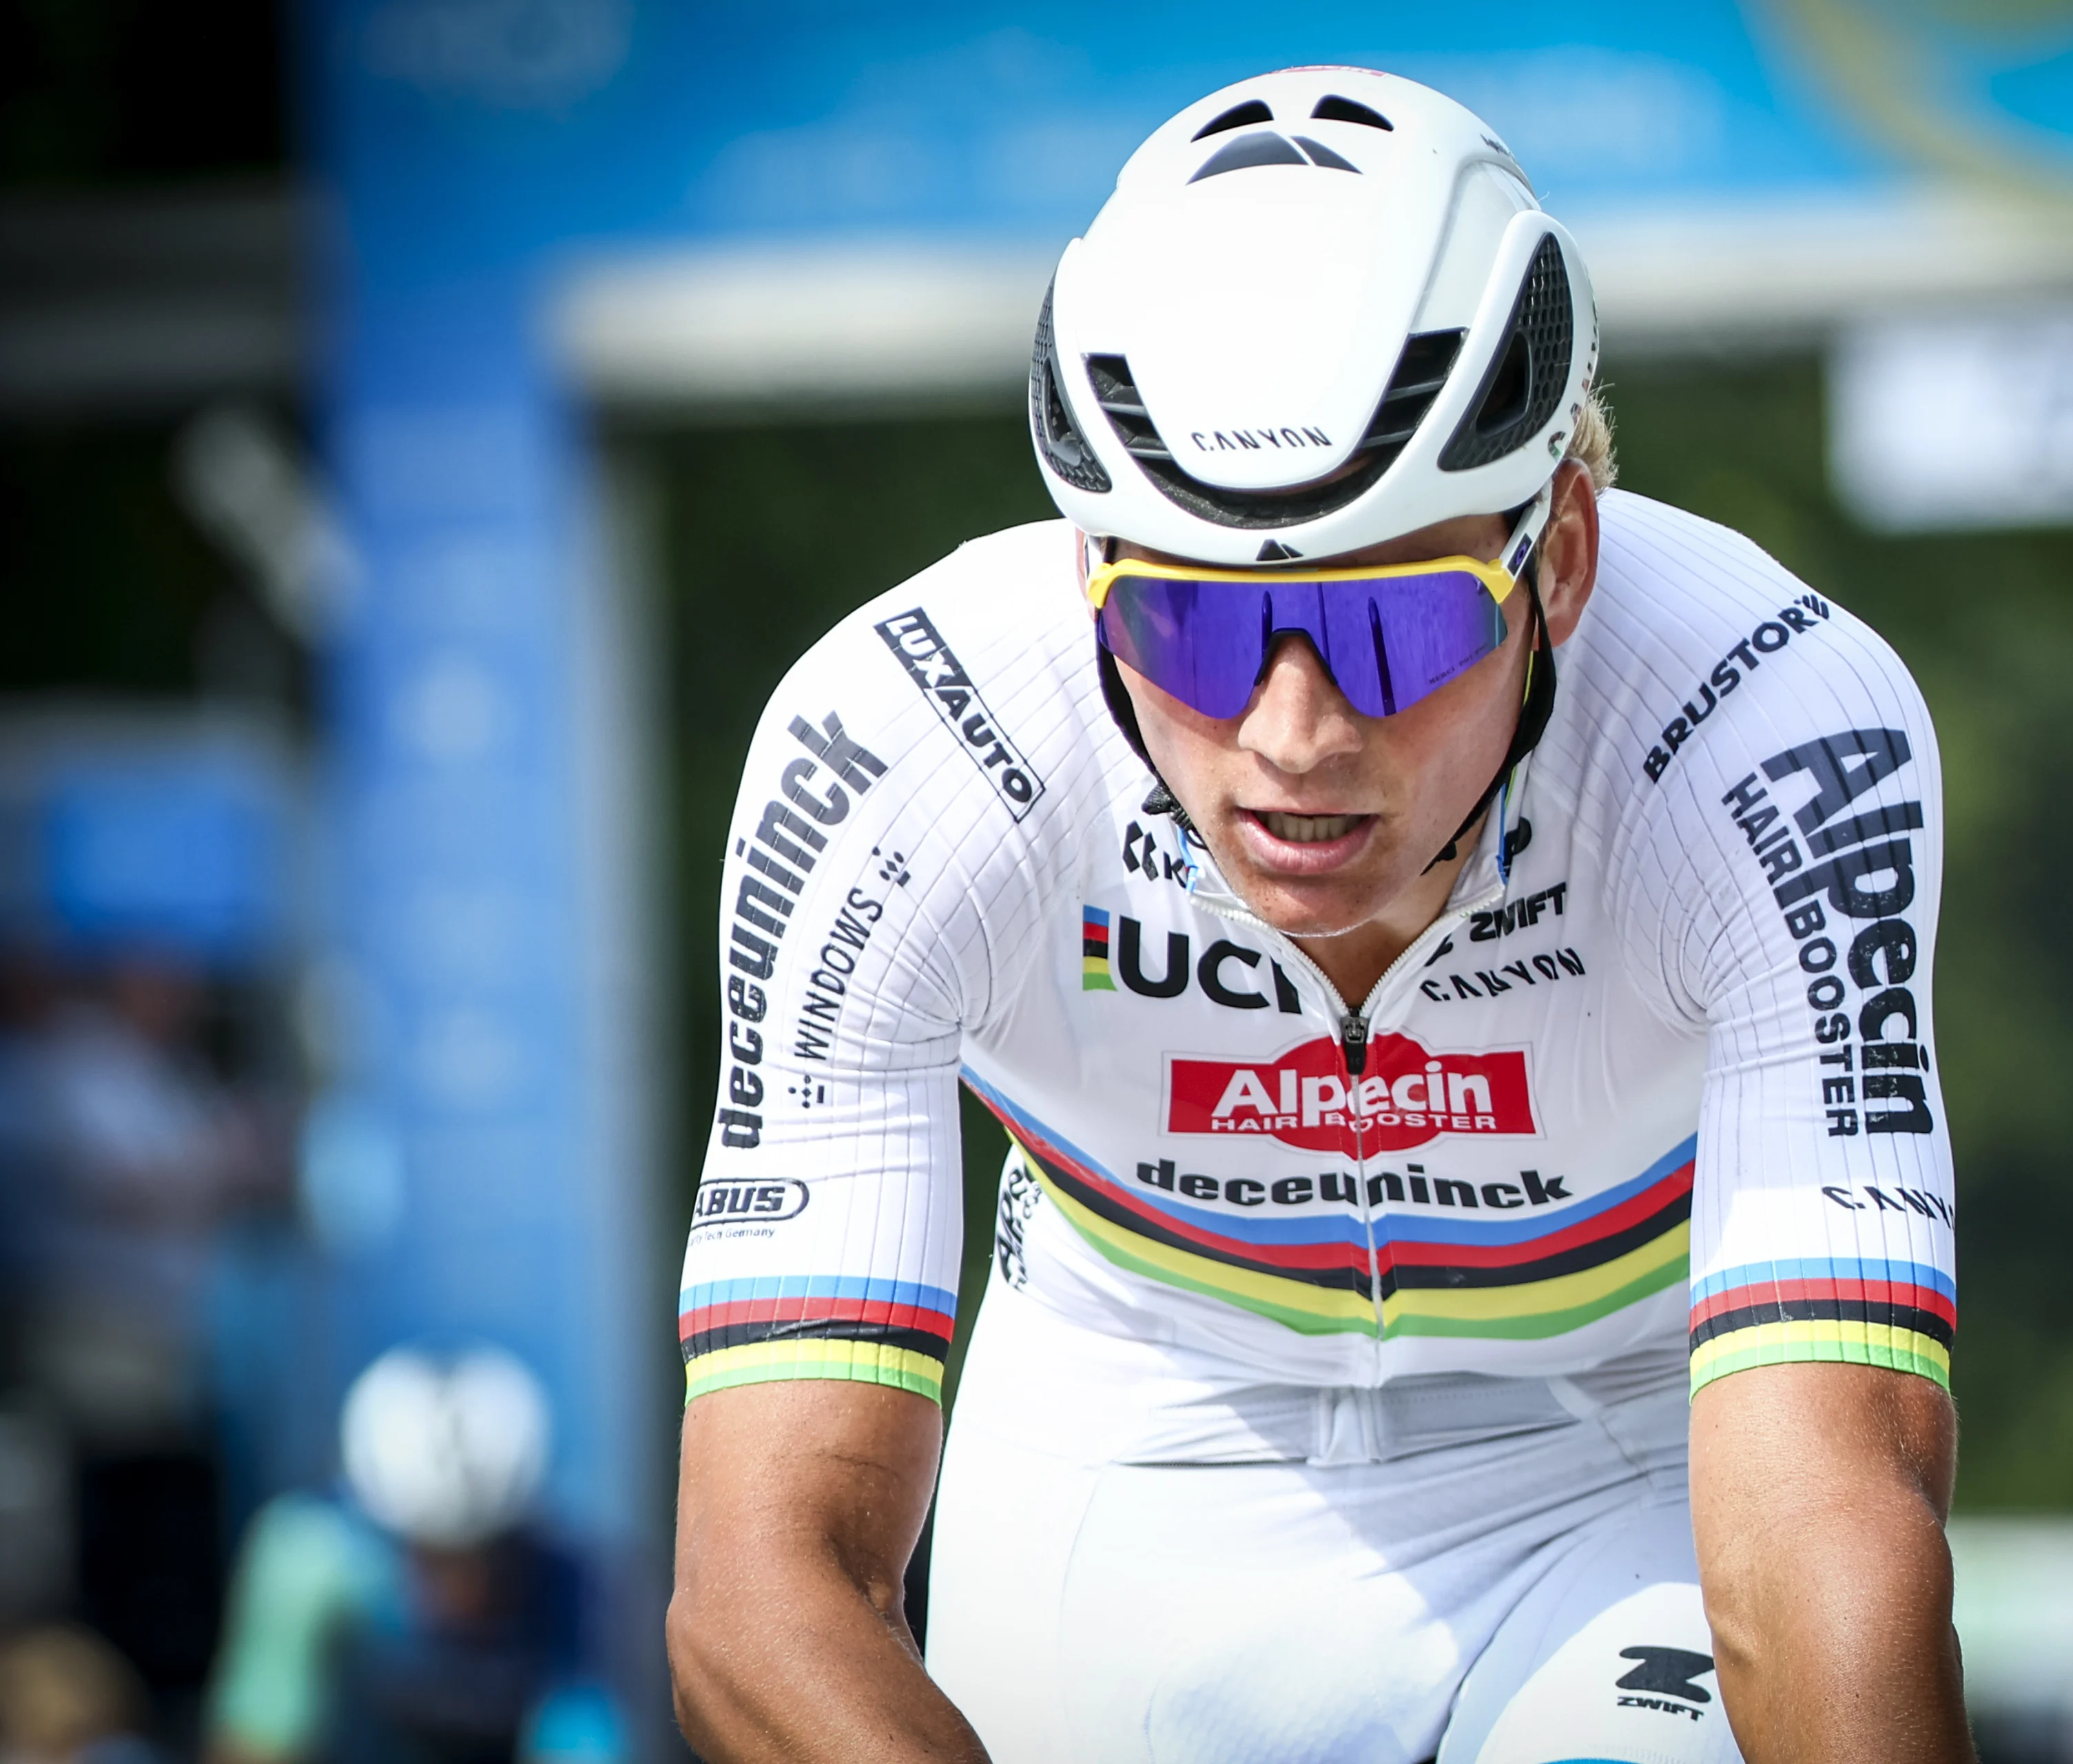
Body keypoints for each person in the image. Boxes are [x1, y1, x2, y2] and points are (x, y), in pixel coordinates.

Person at [669, 67, 1966, 1764]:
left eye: (1390, 626)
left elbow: (1823, 1530)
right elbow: (757, 1587)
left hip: (1627, 1446)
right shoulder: (912, 753)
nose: (1293, 736)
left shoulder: (1757, 730)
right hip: (1138, 1440)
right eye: (1194, 633)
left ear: (1558, 555)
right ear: (1086, 579)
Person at [203, 1347, 622, 1764]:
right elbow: (255, 1743)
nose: (464, 1584)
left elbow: (582, 1744)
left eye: (485, 1552)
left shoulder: (567, 1585)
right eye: (434, 1553)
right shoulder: (307, 1563)